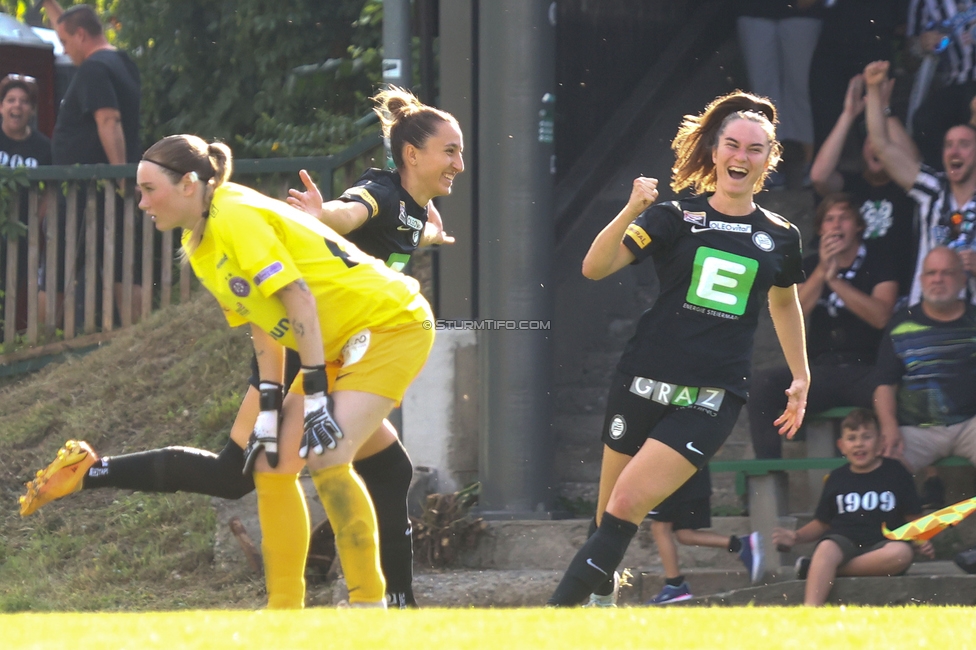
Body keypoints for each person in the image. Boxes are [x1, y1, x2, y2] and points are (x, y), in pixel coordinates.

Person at [20, 89, 464, 610]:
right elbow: (273, 314)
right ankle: (293, 614)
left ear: (189, 184)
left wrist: (426, 235)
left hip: (368, 331)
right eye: (451, 151)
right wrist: (276, 400)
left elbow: (301, 292)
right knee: (267, 468)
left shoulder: (235, 216)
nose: (140, 203)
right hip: (320, 341)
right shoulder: (206, 239)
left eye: (146, 190)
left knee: (312, 462)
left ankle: (376, 609)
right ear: (413, 155)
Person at [547, 91, 810, 607]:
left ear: (768, 159)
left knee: (626, 502)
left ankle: (555, 617)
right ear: (713, 151)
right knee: (607, 516)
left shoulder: (780, 236)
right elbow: (594, 268)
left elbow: (785, 305)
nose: (741, 157)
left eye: (754, 149)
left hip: (711, 396)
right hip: (641, 380)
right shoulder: (673, 216)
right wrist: (629, 209)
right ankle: (598, 605)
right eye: (731, 145)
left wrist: (800, 376)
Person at [748, 193, 897, 459]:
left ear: (859, 226)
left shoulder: (881, 263)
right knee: (762, 384)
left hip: (865, 371)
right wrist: (822, 272)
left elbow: (881, 316)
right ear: (820, 229)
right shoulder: (808, 267)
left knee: (896, 393)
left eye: (844, 218)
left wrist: (837, 282)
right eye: (829, 220)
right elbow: (795, 310)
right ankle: (768, 469)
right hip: (820, 371)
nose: (837, 226)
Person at [44, 1, 144, 325]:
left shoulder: (93, 69)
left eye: (65, 43)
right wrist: (51, 5)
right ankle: (136, 337)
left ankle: (53, 345)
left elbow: (109, 120)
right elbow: (69, 27)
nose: (64, 50)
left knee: (59, 265)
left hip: (89, 190)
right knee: (122, 263)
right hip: (101, 189)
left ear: (82, 35)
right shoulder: (121, 62)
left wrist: (119, 176)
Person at [772, 408, 932, 607]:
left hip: (884, 543)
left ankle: (820, 569)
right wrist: (795, 537)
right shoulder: (837, 478)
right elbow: (822, 523)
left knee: (902, 554)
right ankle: (810, 609)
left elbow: (913, 515)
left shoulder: (896, 472)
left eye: (866, 437)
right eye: (852, 438)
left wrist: (920, 538)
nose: (859, 443)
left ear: (881, 442)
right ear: (841, 446)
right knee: (825, 548)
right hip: (844, 540)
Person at [863, 60, 976, 306]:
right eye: (948, 145)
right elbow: (882, 146)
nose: (954, 151)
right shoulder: (933, 190)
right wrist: (873, 90)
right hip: (924, 319)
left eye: (964, 145)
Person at [809, 72, 919, 301]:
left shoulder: (908, 189)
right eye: (869, 142)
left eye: (881, 143)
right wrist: (849, 114)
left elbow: (915, 164)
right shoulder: (852, 185)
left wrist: (884, 108)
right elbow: (819, 177)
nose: (875, 148)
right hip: (850, 285)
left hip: (896, 291)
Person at [873, 247, 976, 476]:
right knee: (883, 473)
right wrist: (888, 426)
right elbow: (884, 385)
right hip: (917, 431)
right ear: (921, 280)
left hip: (971, 425)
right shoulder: (900, 324)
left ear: (962, 280)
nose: (938, 279)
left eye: (947, 273)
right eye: (931, 273)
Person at [643, 467, 763, 605]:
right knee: (684, 533)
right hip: (694, 473)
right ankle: (739, 545)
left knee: (660, 527)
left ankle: (675, 586)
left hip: (675, 472)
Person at [736, 0, 822, 188]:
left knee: (803, 88)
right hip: (754, 9)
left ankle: (810, 163)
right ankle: (768, 166)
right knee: (760, 96)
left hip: (803, 11)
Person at [0, 73, 51, 332]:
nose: (16, 106)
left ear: (31, 110)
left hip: (21, 233)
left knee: (12, 289)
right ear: (1, 107)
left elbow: (52, 190)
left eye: (23, 101)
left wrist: (36, 219)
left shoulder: (42, 147)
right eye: (10, 100)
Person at [907, 0, 976, 170]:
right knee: (924, 121)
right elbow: (908, 60)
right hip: (955, 82)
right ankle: (944, 185)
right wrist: (921, 45)